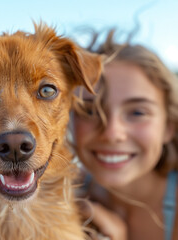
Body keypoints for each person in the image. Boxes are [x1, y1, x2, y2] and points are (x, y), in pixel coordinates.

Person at [72, 30, 178, 240]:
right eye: (90, 111)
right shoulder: (64, 196)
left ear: (169, 127)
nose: (111, 133)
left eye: (137, 112)